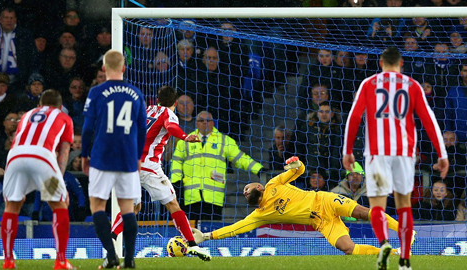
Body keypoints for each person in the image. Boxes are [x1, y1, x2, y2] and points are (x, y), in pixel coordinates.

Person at [342, 47, 448, 270]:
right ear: (401, 64)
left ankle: (383, 244)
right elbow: (429, 120)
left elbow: (354, 117)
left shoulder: (369, 84)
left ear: (381, 63)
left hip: (376, 153)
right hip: (404, 154)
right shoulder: (412, 85)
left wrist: (347, 150)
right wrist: (442, 154)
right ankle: (405, 260)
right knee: (403, 206)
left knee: (377, 206)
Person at [192, 157, 407, 257]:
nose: (244, 191)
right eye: (243, 193)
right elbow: (235, 228)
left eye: (246, 188)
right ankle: (393, 253)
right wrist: (208, 236)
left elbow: (298, 170)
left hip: (323, 200)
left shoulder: (273, 184)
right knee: (347, 248)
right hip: (321, 221)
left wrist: (295, 164)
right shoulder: (259, 215)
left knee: (361, 213)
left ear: (258, 186)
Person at [110, 85, 211, 262]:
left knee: (134, 208)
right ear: (174, 102)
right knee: (173, 204)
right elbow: (171, 127)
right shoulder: (168, 113)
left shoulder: (147, 110)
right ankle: (193, 245)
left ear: (157, 99)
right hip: (148, 165)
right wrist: (185, 136)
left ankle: (110, 237)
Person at [81, 50, 147, 269]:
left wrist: (84, 154)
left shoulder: (96, 92)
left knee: (97, 205)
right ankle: (129, 260)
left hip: (102, 156)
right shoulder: (136, 93)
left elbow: (88, 127)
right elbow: (142, 129)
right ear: (124, 68)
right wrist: (138, 157)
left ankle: (111, 255)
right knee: (127, 208)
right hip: (128, 157)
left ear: (103, 68)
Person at [1, 89, 75, 269]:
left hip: (15, 156)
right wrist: (60, 180)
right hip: (43, 157)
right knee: (59, 203)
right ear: (59, 106)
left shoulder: (27, 115)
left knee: (12, 205)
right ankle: (61, 261)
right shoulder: (63, 117)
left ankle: (9, 261)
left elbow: (18, 140)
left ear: (39, 104)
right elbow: (64, 153)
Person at [171, 111, 263, 220]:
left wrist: (258, 169)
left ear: (213, 123)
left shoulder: (224, 141)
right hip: (191, 196)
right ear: (196, 123)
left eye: (208, 120)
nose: (205, 123)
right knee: (192, 228)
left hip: (214, 196)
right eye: (201, 120)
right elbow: (176, 161)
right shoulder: (186, 141)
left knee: (212, 229)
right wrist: (175, 181)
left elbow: (240, 158)